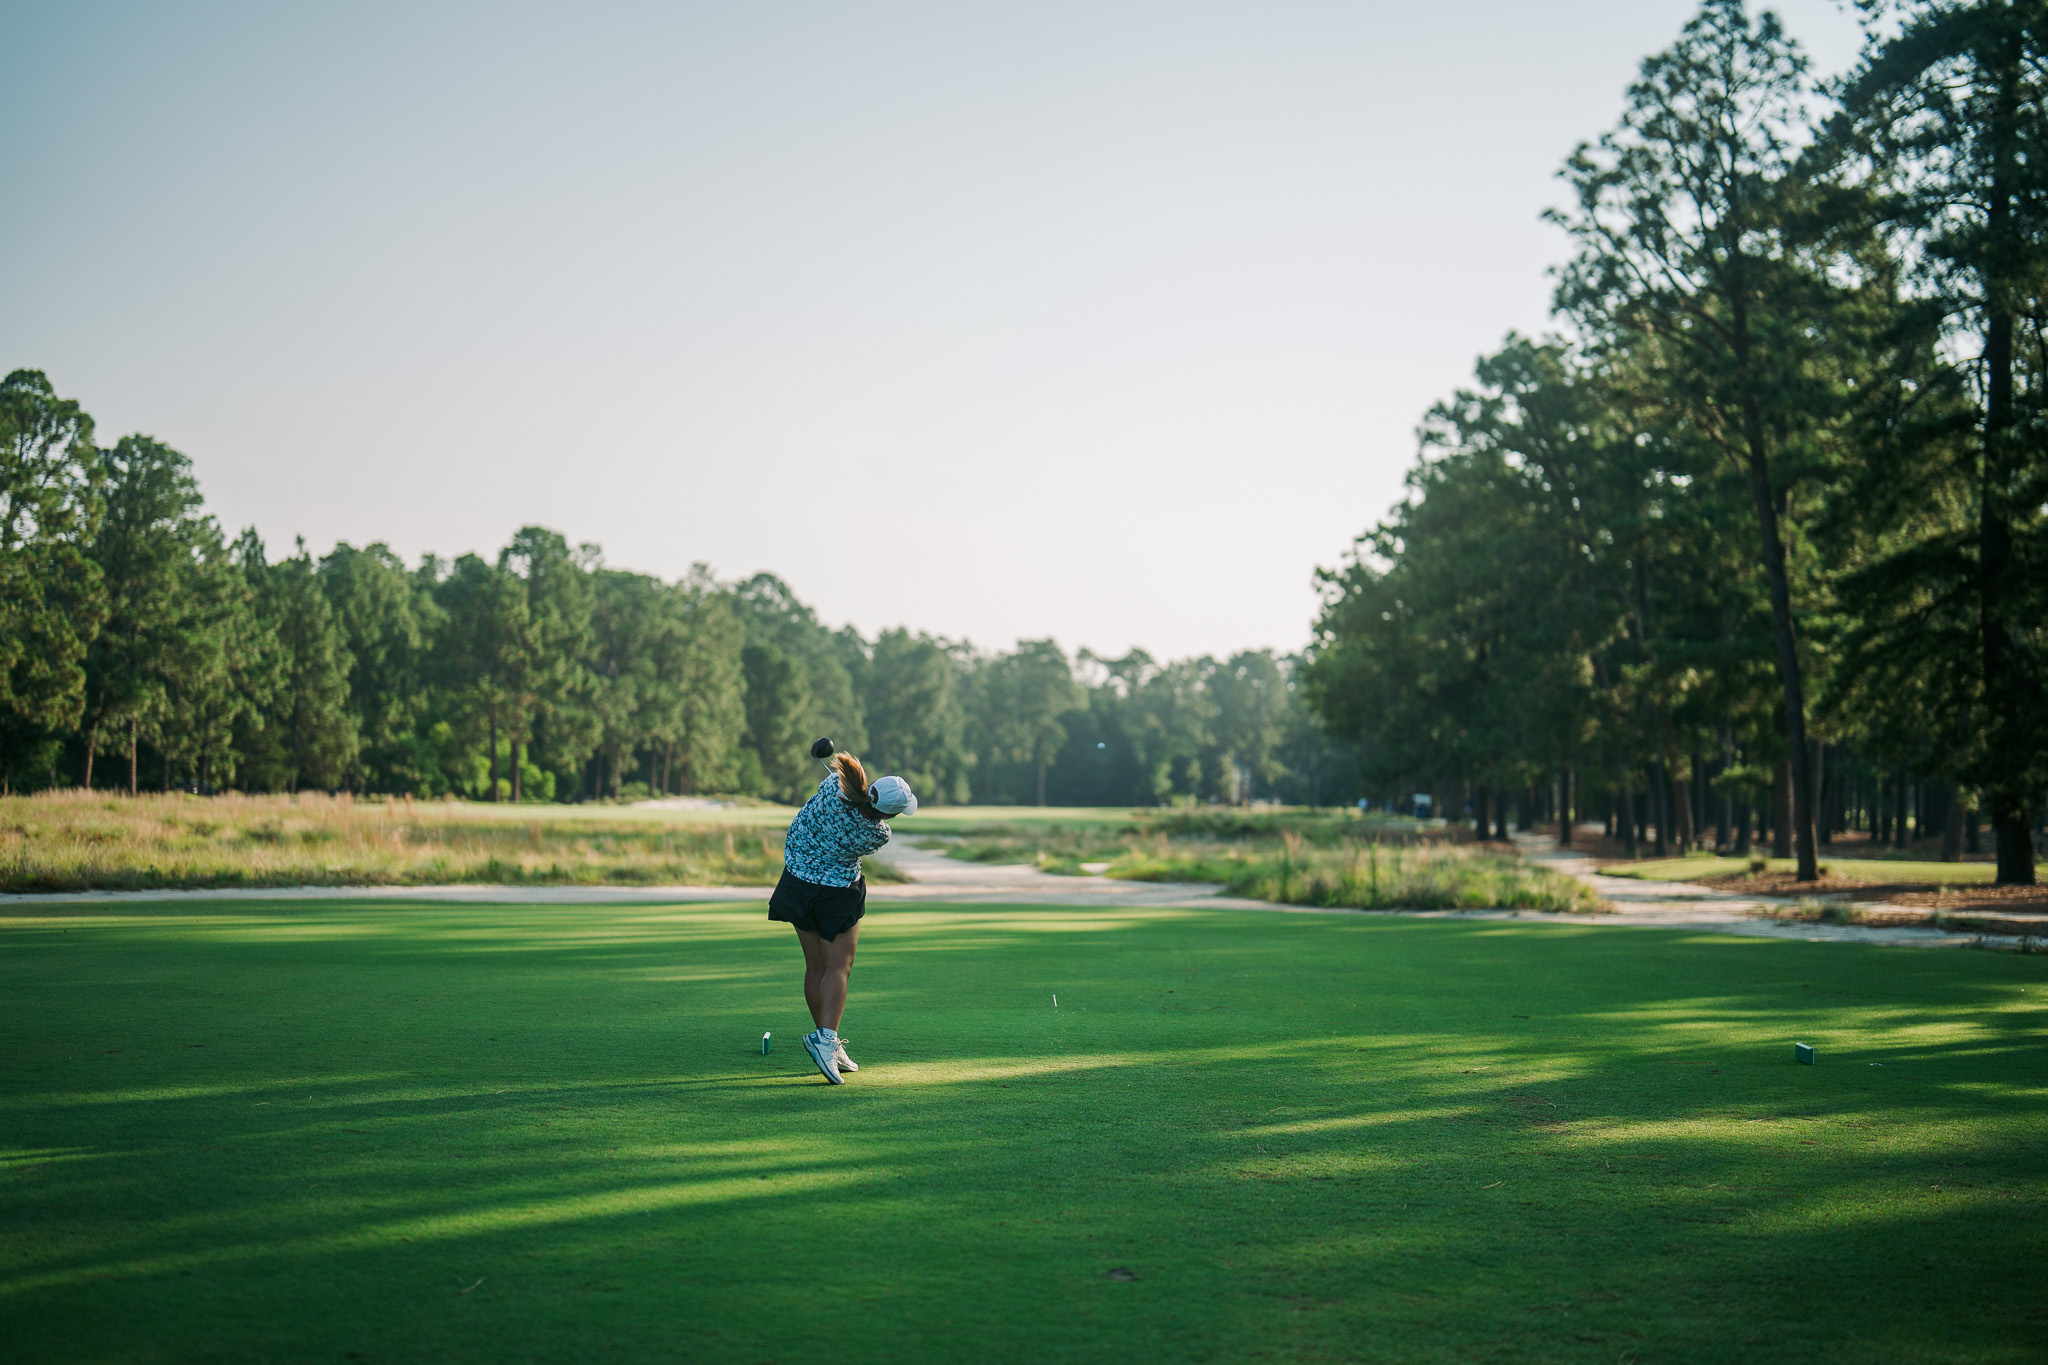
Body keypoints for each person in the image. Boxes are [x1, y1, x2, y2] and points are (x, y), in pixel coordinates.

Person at [770, 740, 918, 1084]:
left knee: (816, 967)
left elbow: (841, 782)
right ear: (890, 814)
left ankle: (827, 1039)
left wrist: (847, 778)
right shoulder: (879, 833)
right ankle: (825, 1039)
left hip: (795, 885)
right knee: (838, 967)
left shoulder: (832, 786)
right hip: (836, 895)